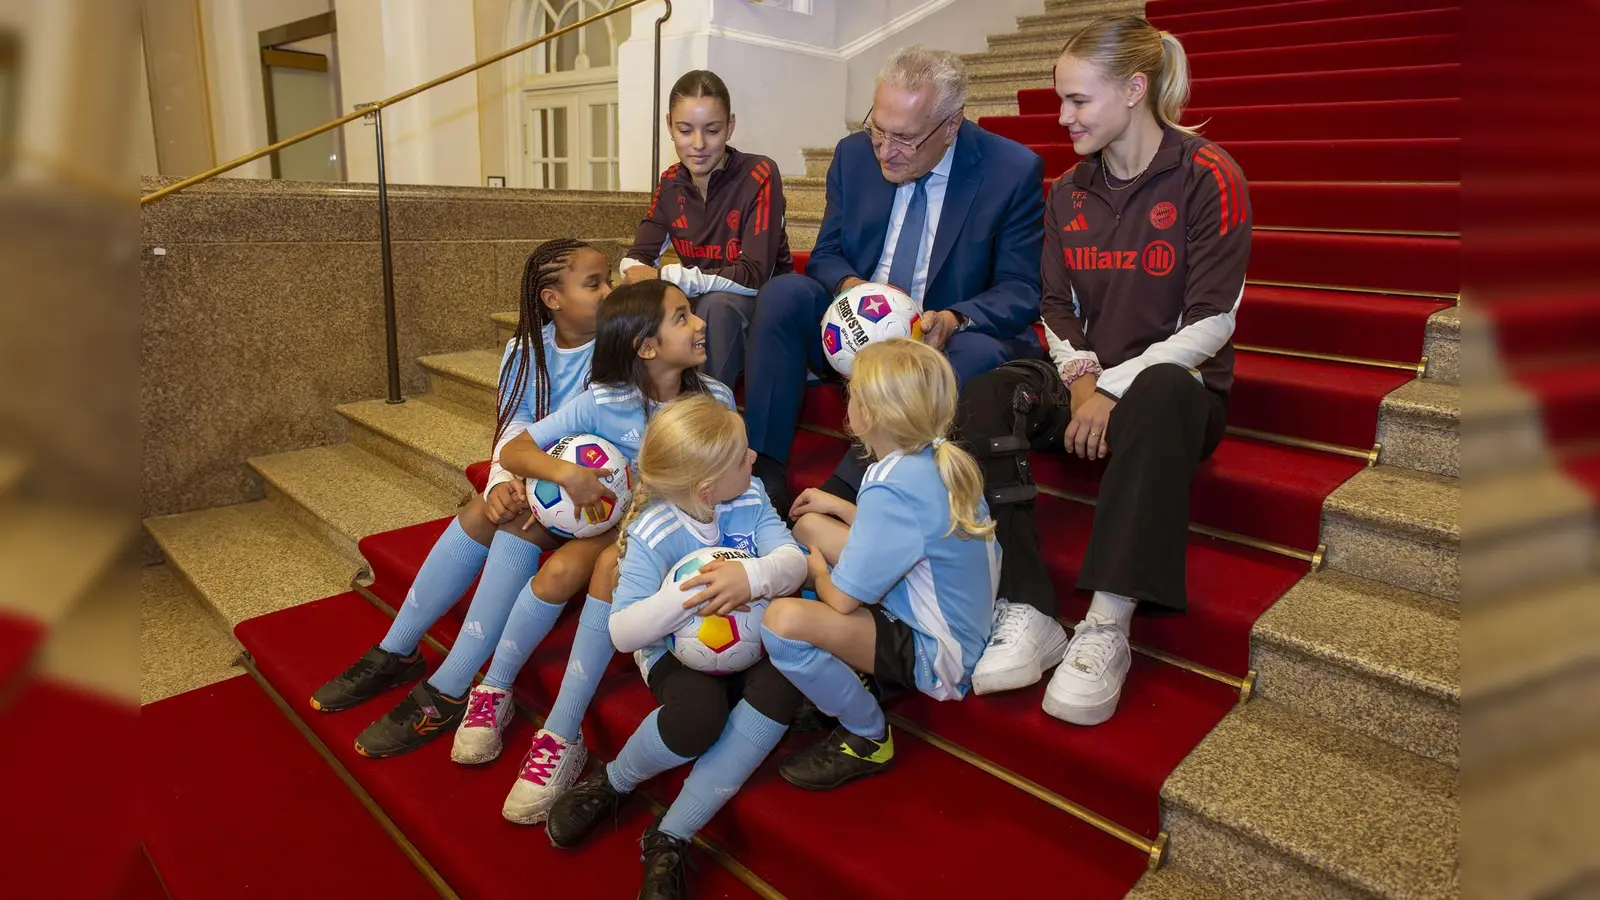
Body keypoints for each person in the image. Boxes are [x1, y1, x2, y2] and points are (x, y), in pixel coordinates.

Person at [959, 16, 1251, 726]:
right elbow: (1055, 309)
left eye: (1078, 100)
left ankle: (1108, 624)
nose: (1062, 117)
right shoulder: (1068, 192)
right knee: (989, 392)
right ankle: (1028, 607)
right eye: (1061, 100)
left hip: (1175, 398)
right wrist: (1088, 387)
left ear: (1134, 89)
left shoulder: (1208, 174)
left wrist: (1114, 389)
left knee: (1157, 389)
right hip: (1087, 384)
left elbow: (1213, 321)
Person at [308, 239, 612, 758]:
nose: (610, 292)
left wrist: (532, 482)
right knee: (480, 511)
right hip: (537, 474)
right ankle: (396, 650)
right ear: (552, 299)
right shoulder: (526, 350)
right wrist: (499, 484)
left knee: (519, 525)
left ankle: (450, 685)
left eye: (609, 280)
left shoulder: (613, 353)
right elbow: (513, 426)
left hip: (592, 490)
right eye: (595, 283)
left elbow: (600, 438)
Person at [741, 46, 1047, 511]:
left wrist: (955, 319)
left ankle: (849, 488)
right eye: (878, 130)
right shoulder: (852, 156)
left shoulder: (1011, 170)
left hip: (936, 340)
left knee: (978, 351)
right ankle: (765, 474)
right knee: (784, 293)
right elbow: (826, 255)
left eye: (904, 138)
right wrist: (851, 291)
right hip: (855, 329)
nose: (886, 150)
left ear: (951, 126)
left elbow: (1021, 290)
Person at [492, 279, 740, 824]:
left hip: (679, 541)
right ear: (645, 347)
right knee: (562, 569)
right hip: (620, 527)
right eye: (682, 317)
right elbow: (515, 448)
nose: (701, 323)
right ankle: (504, 696)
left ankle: (559, 727)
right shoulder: (606, 400)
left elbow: (731, 488)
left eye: (693, 313)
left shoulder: (715, 400)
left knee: (605, 563)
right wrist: (565, 474)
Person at [543, 396, 806, 900]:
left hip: (752, 642)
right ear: (706, 488)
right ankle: (614, 782)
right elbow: (623, 633)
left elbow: (792, 561)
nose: (754, 459)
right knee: (699, 714)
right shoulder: (652, 530)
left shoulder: (751, 494)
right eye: (742, 454)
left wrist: (751, 575)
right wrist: (681, 598)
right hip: (671, 650)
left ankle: (671, 834)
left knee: (784, 683)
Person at [760, 339, 998, 789]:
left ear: (867, 414)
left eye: (852, 392)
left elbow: (844, 600)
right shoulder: (931, 458)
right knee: (811, 525)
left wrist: (815, 572)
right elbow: (910, 534)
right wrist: (838, 506)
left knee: (781, 621)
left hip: (942, 655)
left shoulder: (890, 485)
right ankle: (851, 672)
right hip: (958, 622)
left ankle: (867, 735)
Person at [621, 69, 794, 386]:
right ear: (669, 126)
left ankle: (702, 420)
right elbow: (638, 257)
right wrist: (632, 273)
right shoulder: (671, 181)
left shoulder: (760, 173)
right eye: (685, 130)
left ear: (730, 127)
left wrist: (667, 277)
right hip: (700, 302)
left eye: (712, 130)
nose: (698, 144)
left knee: (717, 305)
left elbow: (753, 276)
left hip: (764, 305)